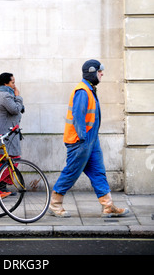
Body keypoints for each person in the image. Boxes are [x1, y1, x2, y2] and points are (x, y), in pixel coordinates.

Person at [49, 59, 129, 218]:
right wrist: (83, 138)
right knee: (71, 172)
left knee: (98, 172)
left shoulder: (89, 89)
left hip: (91, 141)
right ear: (92, 72)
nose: (102, 74)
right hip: (81, 141)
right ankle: (55, 204)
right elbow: (78, 116)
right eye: (100, 72)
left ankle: (108, 206)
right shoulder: (82, 91)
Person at [0, 72, 24, 194]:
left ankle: (1, 187)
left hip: (7, 132)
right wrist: (19, 97)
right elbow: (15, 109)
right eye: (13, 82)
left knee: (6, 160)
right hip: (3, 132)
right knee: (10, 159)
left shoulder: (5, 94)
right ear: (6, 83)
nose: (15, 85)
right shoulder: (5, 95)